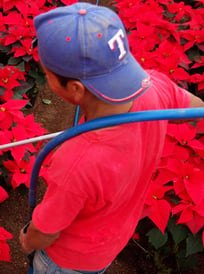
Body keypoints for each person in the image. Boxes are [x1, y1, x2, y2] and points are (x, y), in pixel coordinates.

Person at [19, 3, 204, 274]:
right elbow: (195, 108)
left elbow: (45, 232)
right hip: (108, 246)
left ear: (74, 89)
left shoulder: (76, 161)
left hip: (67, 262)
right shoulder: (155, 87)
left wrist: (26, 240)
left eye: (47, 74)